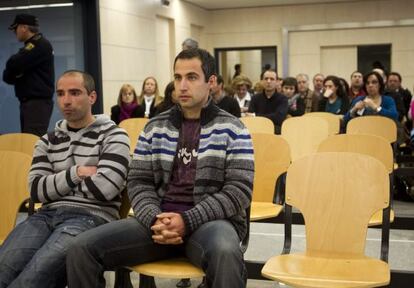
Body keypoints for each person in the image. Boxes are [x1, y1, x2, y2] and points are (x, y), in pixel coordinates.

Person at [66, 48, 254, 288]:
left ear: (212, 82)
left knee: (226, 253)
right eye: (177, 77)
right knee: (81, 249)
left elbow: (239, 191)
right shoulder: (155, 126)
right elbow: (138, 180)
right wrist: (155, 218)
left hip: (210, 225)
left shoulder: (234, 129)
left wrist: (187, 221)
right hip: (156, 223)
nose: (182, 85)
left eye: (192, 77)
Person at [0, 70, 130, 288]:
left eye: (75, 92)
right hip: (45, 215)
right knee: (3, 271)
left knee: (30, 281)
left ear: (92, 97)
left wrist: (56, 184)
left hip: (92, 217)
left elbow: (105, 189)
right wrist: (77, 173)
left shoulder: (113, 135)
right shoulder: (47, 140)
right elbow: (36, 190)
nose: (66, 101)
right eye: (60, 94)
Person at [2, 13, 54, 136]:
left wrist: (17, 71)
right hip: (31, 104)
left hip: (37, 104)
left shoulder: (39, 44)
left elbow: (13, 63)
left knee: (32, 142)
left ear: (24, 27)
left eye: (16, 29)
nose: (15, 32)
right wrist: (15, 71)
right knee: (28, 140)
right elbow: (7, 76)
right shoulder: (32, 46)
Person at [248, 69, 288, 134]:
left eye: (272, 79)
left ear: (277, 82)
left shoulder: (283, 99)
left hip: (276, 132)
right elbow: (250, 118)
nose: (268, 81)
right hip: (257, 131)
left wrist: (256, 116)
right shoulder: (255, 98)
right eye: (266, 79)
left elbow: (279, 118)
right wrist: (254, 116)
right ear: (262, 81)